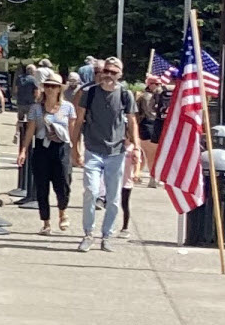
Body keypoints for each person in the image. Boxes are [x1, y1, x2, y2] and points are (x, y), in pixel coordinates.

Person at [75, 57, 140, 250]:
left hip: (116, 152)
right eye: (106, 71)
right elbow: (79, 121)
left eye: (113, 72)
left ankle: (107, 235)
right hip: (93, 149)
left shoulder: (125, 95)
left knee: (113, 198)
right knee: (91, 192)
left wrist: (136, 147)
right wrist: (74, 147)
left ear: (119, 75)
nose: (108, 75)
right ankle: (88, 234)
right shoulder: (90, 93)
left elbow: (132, 121)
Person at [19, 74, 77, 231]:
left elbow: (72, 132)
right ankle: (46, 221)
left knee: (63, 183)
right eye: (47, 86)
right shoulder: (36, 108)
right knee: (42, 186)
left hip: (62, 148)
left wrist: (76, 152)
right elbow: (30, 130)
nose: (50, 89)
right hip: (42, 148)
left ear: (60, 88)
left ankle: (63, 213)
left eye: (54, 86)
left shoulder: (68, 107)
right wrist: (23, 150)